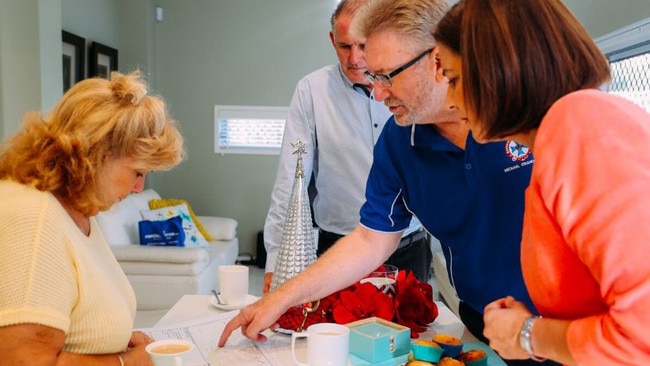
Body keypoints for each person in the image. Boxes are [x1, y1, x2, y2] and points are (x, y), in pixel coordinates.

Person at [220, 1, 547, 363]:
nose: (377, 92)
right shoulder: (398, 141)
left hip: (572, 327)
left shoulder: (526, 109)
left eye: (387, 75)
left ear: (438, 59)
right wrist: (280, 297)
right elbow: (369, 239)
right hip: (488, 324)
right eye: (374, 77)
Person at [434, 0, 650, 364]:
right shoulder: (559, 137)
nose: (450, 102)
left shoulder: (581, 123)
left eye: (454, 80)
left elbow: (640, 333)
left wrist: (527, 334)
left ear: (499, 68)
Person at [0, 71, 185, 365]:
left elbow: (77, 321)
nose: (138, 188)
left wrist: (115, 339)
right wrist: (126, 362)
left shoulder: (77, 207)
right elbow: (22, 360)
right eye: (137, 172)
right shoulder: (33, 217)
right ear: (97, 154)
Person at [263, 0, 430, 291]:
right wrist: (276, 260)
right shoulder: (311, 91)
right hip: (338, 249)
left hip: (406, 245)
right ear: (331, 40)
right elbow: (292, 177)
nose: (354, 59)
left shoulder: (408, 85)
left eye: (363, 46)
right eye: (344, 46)